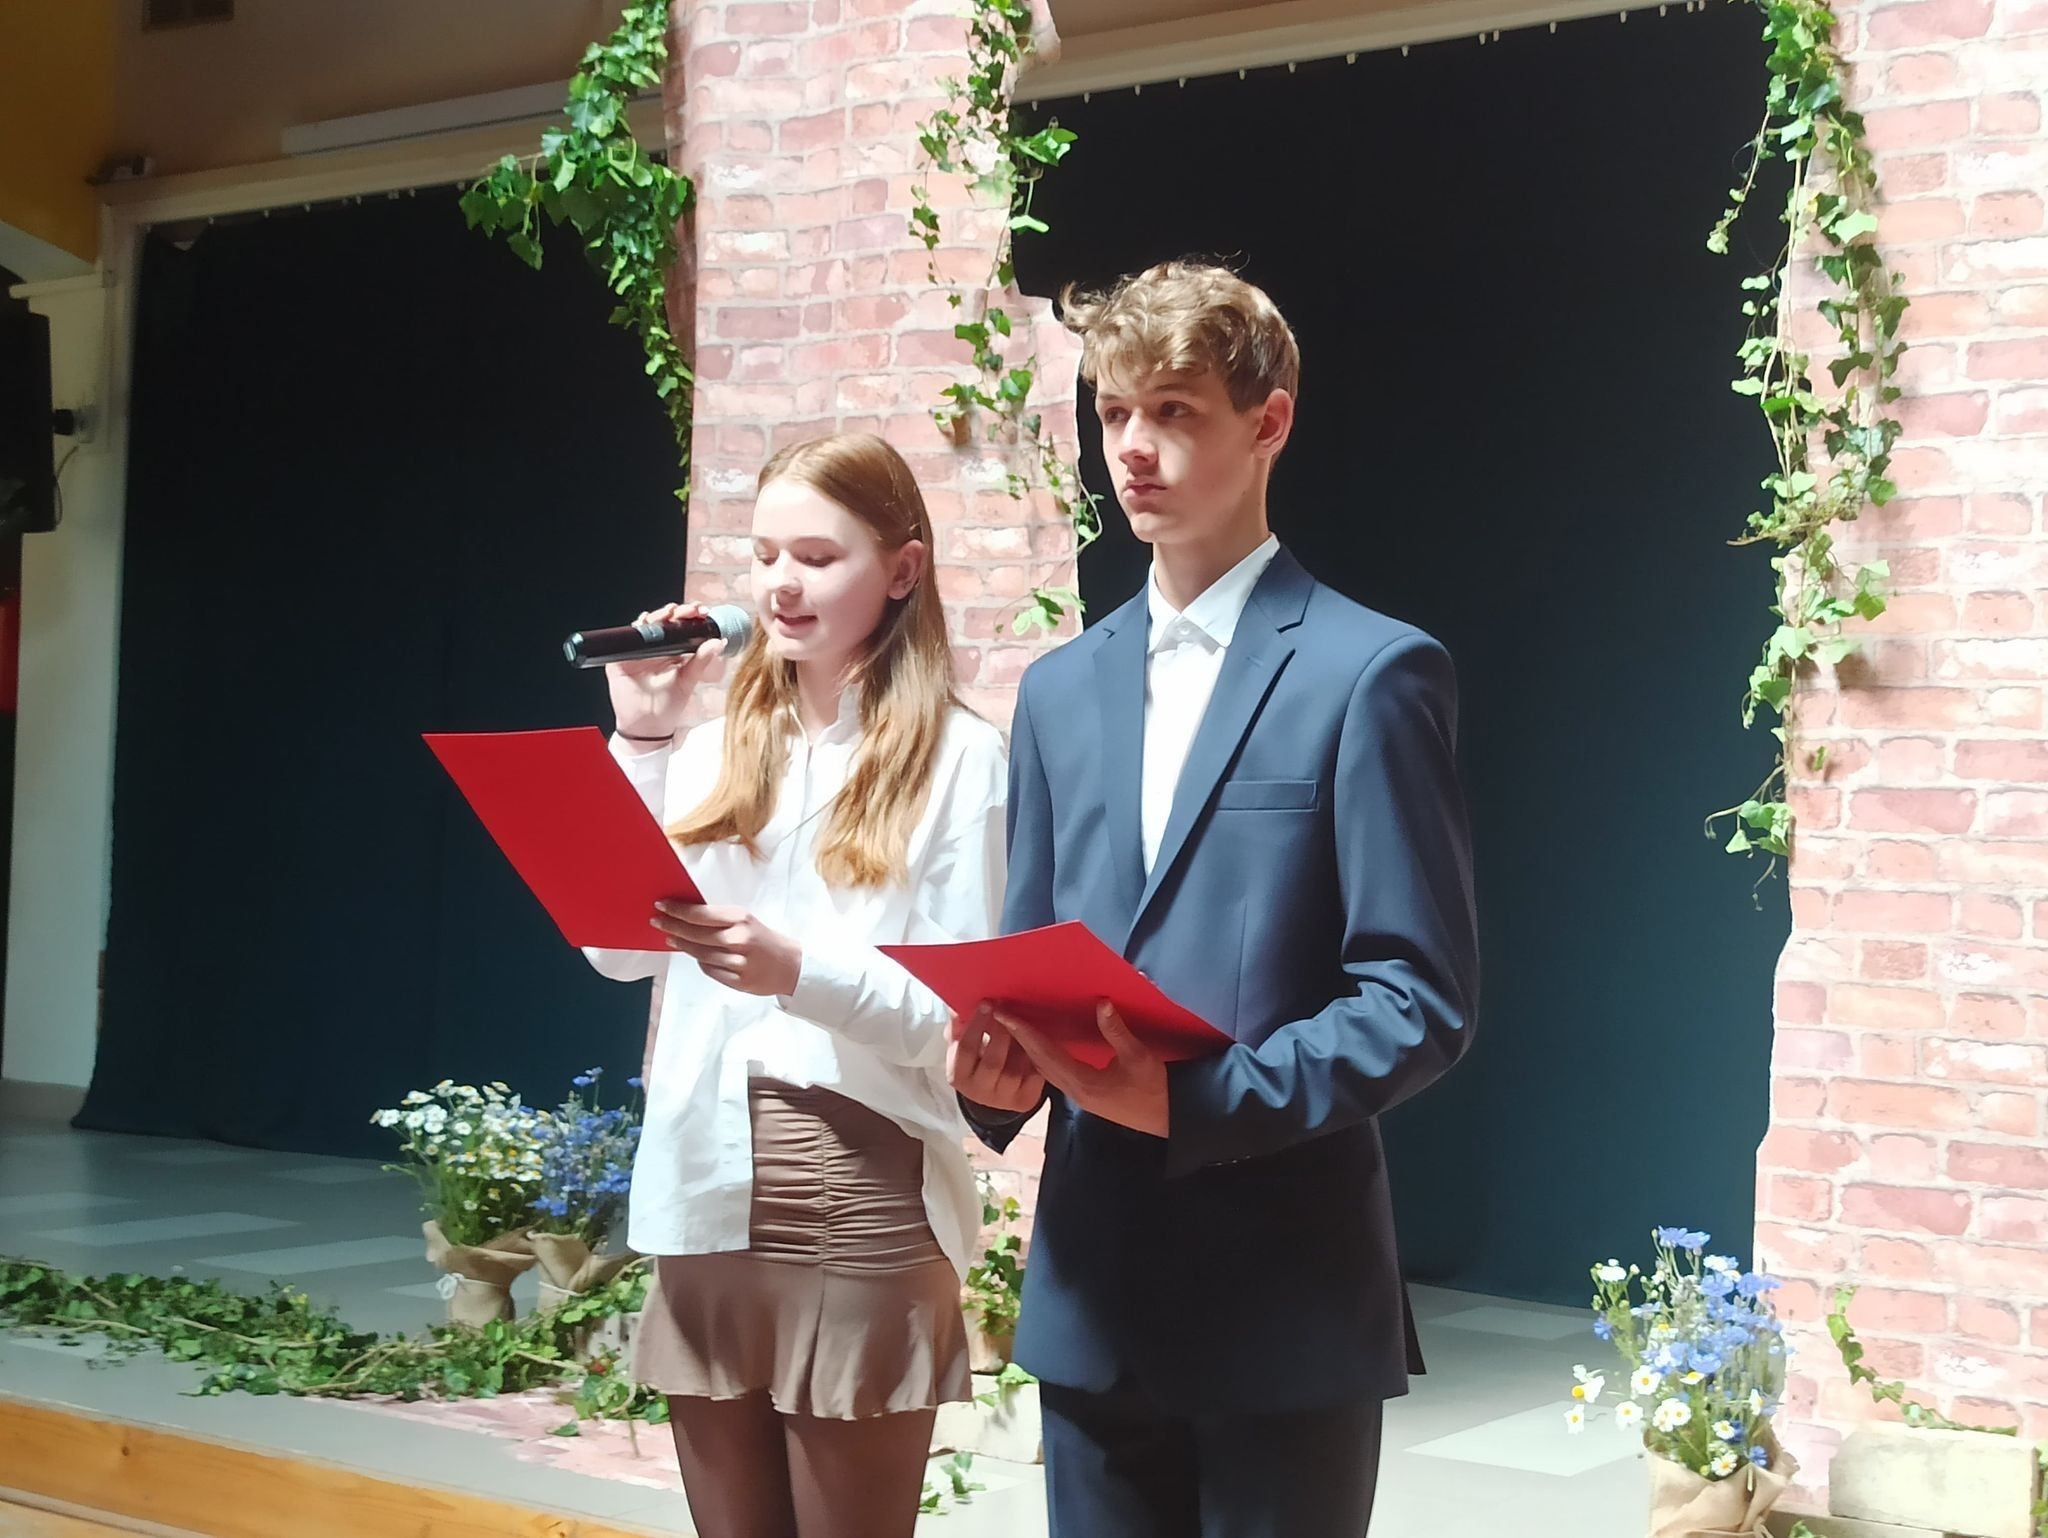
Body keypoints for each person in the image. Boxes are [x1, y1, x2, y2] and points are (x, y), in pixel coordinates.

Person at [947, 260, 1482, 1536]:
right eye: (1112, 411)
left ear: (1267, 422)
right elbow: (1033, 959)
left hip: (1282, 1298)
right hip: (1091, 1294)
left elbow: (1418, 1000)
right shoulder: (1057, 692)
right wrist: (994, 1079)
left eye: (1173, 409)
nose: (1131, 445)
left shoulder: (1372, 670)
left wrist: (1194, 1099)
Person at [584, 431, 1007, 1538]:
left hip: (857, 1185)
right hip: (703, 1172)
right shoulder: (707, 746)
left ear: (901, 570)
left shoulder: (961, 758)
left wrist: (797, 973)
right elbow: (618, 952)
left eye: (817, 557)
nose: (780, 582)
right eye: (765, 553)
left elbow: (953, 1018)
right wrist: (640, 738)